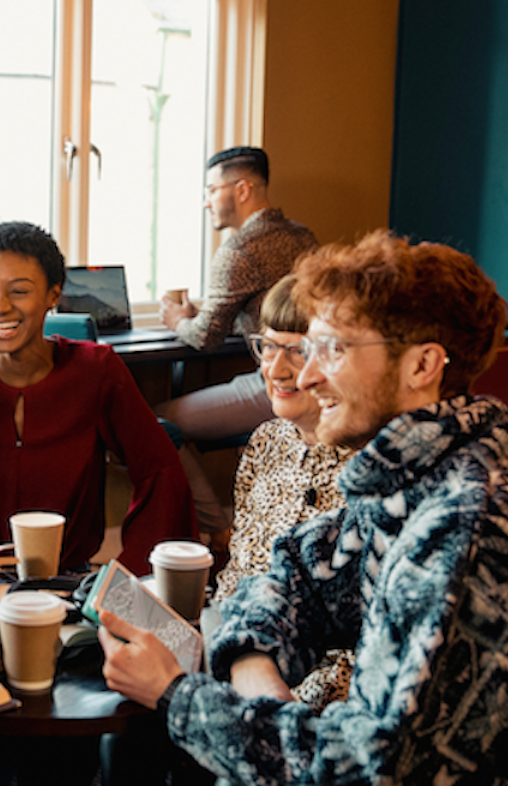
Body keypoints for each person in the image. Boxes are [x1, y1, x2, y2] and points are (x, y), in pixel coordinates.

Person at [99, 230, 508, 783]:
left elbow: (368, 770)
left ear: (421, 365)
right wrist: (257, 675)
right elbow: (291, 577)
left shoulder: (471, 526)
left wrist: (176, 695)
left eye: (332, 349)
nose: (307, 375)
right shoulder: (417, 479)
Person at [0, 221, 198, 576]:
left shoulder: (96, 370)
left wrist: (128, 575)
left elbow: (161, 472)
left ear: (53, 295)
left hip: (68, 578)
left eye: (19, 291)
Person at [155, 147, 318, 549]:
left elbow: (205, 337)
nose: (206, 199)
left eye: (212, 189)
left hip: (278, 383)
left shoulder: (238, 250)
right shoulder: (302, 236)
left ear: (242, 189)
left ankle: (218, 527)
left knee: (155, 425)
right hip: (317, 376)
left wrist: (176, 318)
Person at [205, 274, 355, 711]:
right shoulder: (266, 442)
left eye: (299, 350)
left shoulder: (367, 470)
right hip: (240, 653)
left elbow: (352, 652)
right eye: (268, 346)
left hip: (313, 700)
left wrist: (274, 705)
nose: (276, 368)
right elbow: (236, 575)